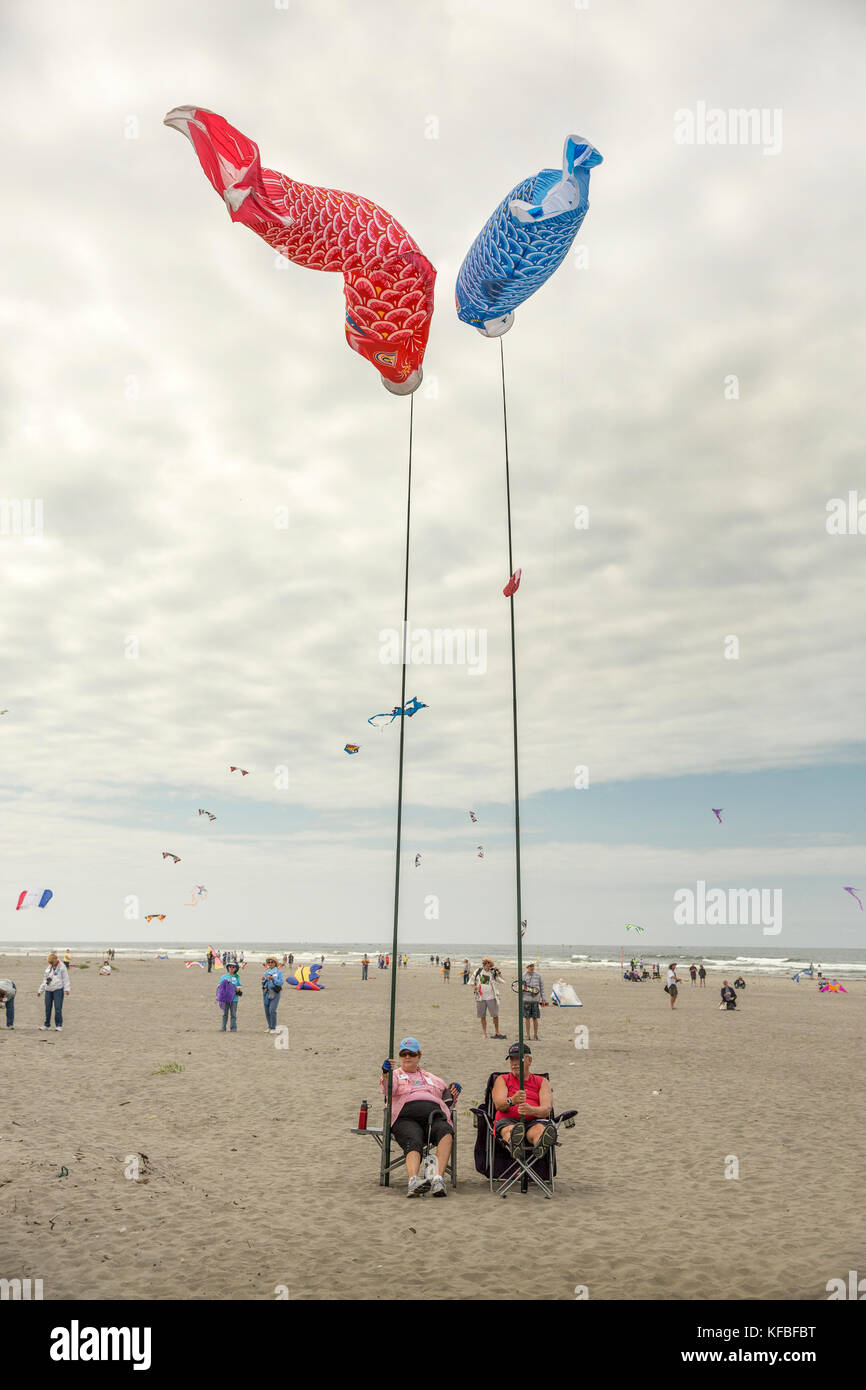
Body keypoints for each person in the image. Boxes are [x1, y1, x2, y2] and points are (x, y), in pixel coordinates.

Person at [380, 1037, 458, 1198]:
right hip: (405, 1117)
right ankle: (413, 1181)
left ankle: (438, 1179)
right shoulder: (394, 1075)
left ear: (419, 1056)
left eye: (411, 1054)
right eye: (403, 1054)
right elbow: (388, 1089)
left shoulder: (432, 1078)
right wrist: (385, 1073)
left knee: (445, 1130)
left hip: (432, 1116)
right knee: (413, 1137)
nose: (407, 1057)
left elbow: (447, 1097)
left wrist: (455, 1090)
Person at [492, 1044, 555, 1161]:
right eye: (512, 1059)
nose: (514, 1063)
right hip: (508, 1121)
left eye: (518, 1059)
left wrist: (531, 1110)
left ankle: (540, 1146)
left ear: (529, 1060)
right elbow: (499, 1105)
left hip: (534, 1121)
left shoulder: (542, 1082)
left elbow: (546, 1109)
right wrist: (512, 1100)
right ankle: (515, 1143)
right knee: (512, 1130)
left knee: (539, 1130)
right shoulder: (503, 1079)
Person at [472, 958, 505, 1039]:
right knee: (482, 1016)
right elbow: (471, 981)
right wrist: (474, 986)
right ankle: (484, 1033)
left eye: (486, 963)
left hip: (492, 997)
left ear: (490, 964)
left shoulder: (493, 972)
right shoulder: (478, 971)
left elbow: (502, 981)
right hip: (480, 997)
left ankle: (497, 1032)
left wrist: (499, 972)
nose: (484, 965)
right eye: (483, 963)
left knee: (495, 1015)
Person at [38, 954, 70, 1031]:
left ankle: (59, 1025)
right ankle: (47, 1025)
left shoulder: (62, 967)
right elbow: (45, 980)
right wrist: (40, 990)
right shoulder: (48, 968)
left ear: (56, 960)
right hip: (48, 990)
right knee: (47, 1008)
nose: (51, 964)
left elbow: (66, 978)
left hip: (58, 989)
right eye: (50, 963)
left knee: (58, 1008)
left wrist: (67, 989)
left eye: (52, 962)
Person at [521, 962, 547, 1042]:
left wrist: (543, 999)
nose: (532, 967)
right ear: (527, 967)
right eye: (530, 966)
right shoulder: (523, 976)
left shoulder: (538, 975)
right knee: (527, 1018)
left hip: (536, 1000)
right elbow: (520, 988)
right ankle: (528, 1035)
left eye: (533, 966)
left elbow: (542, 987)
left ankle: (535, 1035)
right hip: (526, 1000)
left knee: (535, 1018)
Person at [217, 960, 242, 1032]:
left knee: (233, 1014)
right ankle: (223, 1027)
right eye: (230, 967)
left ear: (235, 969)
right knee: (225, 1014)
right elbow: (219, 986)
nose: (231, 968)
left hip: (234, 999)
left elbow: (239, 987)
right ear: (228, 968)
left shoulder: (237, 977)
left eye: (233, 967)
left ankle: (233, 1028)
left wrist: (236, 989)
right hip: (225, 999)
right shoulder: (223, 976)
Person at [261, 957, 284, 1032]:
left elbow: (281, 983)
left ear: (275, 963)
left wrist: (273, 979)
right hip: (266, 992)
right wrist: (263, 980)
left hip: (275, 992)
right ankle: (270, 1026)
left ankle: (273, 1027)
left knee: (272, 1010)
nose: (270, 963)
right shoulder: (266, 972)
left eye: (272, 962)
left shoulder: (279, 972)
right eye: (269, 962)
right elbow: (263, 984)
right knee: (267, 1011)